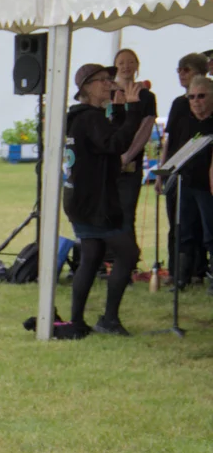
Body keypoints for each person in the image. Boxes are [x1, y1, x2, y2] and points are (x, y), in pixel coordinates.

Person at [63, 63, 146, 334]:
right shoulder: (90, 117)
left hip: (79, 199)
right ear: (87, 87)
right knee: (127, 252)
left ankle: (76, 320)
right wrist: (133, 109)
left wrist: (121, 109)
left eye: (110, 79)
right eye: (103, 80)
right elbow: (115, 144)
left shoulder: (80, 117)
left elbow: (107, 139)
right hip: (94, 202)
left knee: (92, 253)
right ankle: (108, 319)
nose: (109, 84)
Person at [162, 52, 210, 283]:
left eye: (201, 96)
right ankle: (180, 274)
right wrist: (163, 171)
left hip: (206, 180)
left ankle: (202, 272)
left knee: (207, 229)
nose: (195, 101)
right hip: (182, 176)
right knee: (182, 227)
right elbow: (169, 141)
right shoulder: (180, 107)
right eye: (192, 97)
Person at [110, 50, 156, 269]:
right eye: (121, 63)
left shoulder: (146, 97)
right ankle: (104, 260)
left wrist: (127, 155)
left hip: (131, 163)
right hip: (106, 161)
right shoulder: (107, 92)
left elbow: (145, 128)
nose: (125, 67)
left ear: (137, 65)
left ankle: (127, 262)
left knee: (127, 213)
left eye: (130, 63)